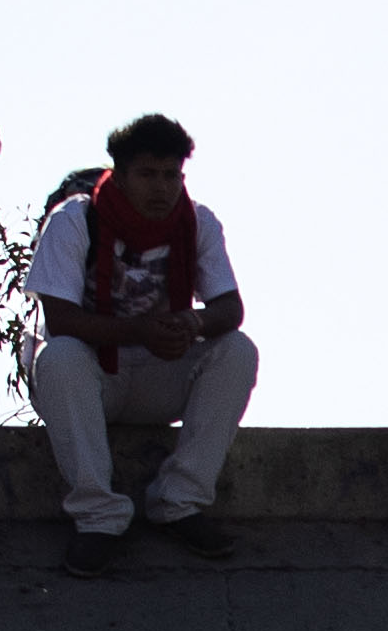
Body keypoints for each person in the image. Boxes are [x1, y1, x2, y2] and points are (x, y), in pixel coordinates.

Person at [22, 114, 253, 578]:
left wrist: (191, 322)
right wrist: (142, 331)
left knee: (237, 350)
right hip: (94, 378)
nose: (161, 188)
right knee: (58, 355)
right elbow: (61, 320)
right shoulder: (74, 220)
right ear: (120, 175)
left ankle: (180, 502)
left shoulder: (197, 222)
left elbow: (230, 309)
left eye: (171, 175)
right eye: (147, 174)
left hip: (159, 373)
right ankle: (98, 517)